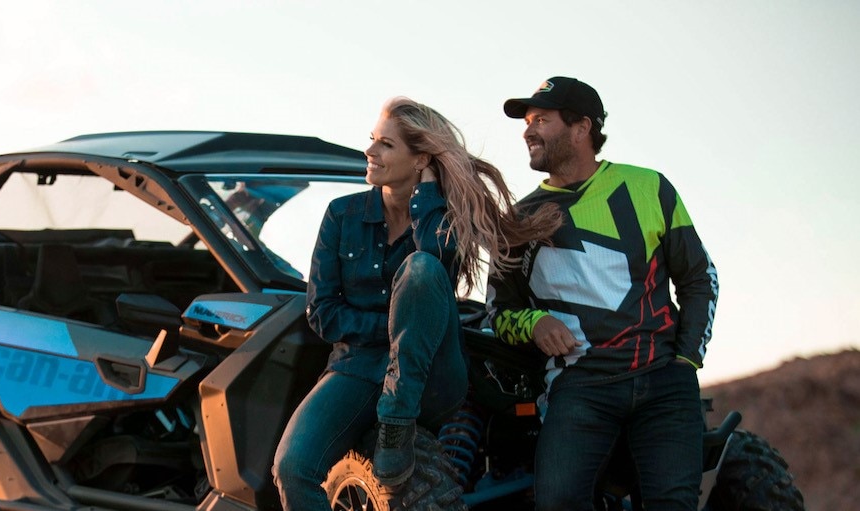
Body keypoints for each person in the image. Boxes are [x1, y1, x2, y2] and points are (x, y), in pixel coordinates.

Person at [272, 96, 563, 509]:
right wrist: (394, 328)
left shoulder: (444, 220)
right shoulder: (342, 215)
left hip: (432, 374)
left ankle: (396, 419)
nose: (370, 151)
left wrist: (427, 197)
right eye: (372, 140)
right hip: (356, 366)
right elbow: (322, 313)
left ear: (420, 159)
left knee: (422, 268)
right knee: (292, 468)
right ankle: (390, 418)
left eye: (386, 145)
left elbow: (434, 270)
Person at [487, 76, 720, 510]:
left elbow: (699, 277)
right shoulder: (519, 220)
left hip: (663, 379)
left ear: (582, 128)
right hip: (580, 386)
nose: (528, 130)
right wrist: (536, 323)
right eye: (527, 121)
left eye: (542, 119)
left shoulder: (649, 188)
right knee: (557, 503)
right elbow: (499, 312)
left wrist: (687, 359)